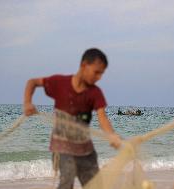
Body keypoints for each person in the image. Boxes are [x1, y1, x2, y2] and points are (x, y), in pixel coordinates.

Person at [23, 48, 121, 189]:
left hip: (85, 150)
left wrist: (111, 135)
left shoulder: (95, 92)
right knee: (66, 182)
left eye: (102, 74)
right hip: (62, 149)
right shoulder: (59, 83)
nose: (99, 77)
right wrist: (27, 102)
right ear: (84, 65)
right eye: (96, 72)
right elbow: (32, 82)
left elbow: (103, 117)